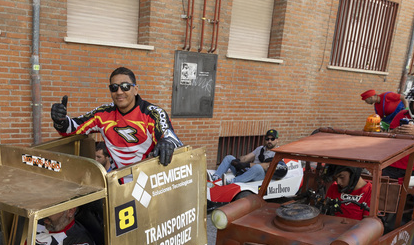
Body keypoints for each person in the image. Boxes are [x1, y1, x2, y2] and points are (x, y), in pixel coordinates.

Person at [51, 67, 183, 169]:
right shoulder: (102, 114)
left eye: (125, 87)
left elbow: (171, 139)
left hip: (150, 180)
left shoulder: (153, 114)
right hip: (118, 182)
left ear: (135, 89)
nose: (119, 92)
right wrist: (60, 120)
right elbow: (73, 128)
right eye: (114, 88)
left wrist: (167, 143)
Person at [210, 129, 279, 183]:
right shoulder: (260, 148)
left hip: (260, 175)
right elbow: (247, 157)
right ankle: (216, 177)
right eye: (267, 139)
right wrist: (238, 161)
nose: (269, 141)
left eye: (272, 139)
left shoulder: (278, 152)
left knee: (258, 167)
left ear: (277, 140)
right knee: (229, 157)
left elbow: (267, 166)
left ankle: (232, 181)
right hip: (248, 170)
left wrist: (247, 165)